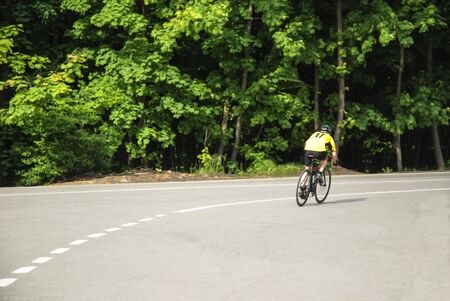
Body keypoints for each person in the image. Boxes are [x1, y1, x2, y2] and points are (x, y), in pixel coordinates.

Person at [299, 124, 337, 197]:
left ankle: (302, 187)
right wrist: (334, 162)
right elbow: (334, 154)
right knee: (326, 157)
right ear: (329, 131)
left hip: (307, 150)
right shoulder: (329, 137)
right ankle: (320, 172)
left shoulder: (315, 133)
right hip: (319, 152)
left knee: (307, 170)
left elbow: (307, 142)